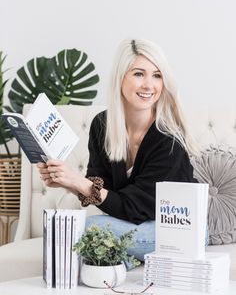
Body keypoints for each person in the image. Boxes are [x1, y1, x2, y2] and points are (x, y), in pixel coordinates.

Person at [37, 38, 198, 262]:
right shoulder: (102, 125)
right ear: (120, 77)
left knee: (86, 229)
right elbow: (106, 193)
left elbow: (132, 208)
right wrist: (68, 182)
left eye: (157, 75)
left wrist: (78, 182)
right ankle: (123, 261)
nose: (149, 85)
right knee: (84, 232)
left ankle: (120, 259)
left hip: (180, 232)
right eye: (139, 74)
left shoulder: (168, 139)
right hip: (133, 224)